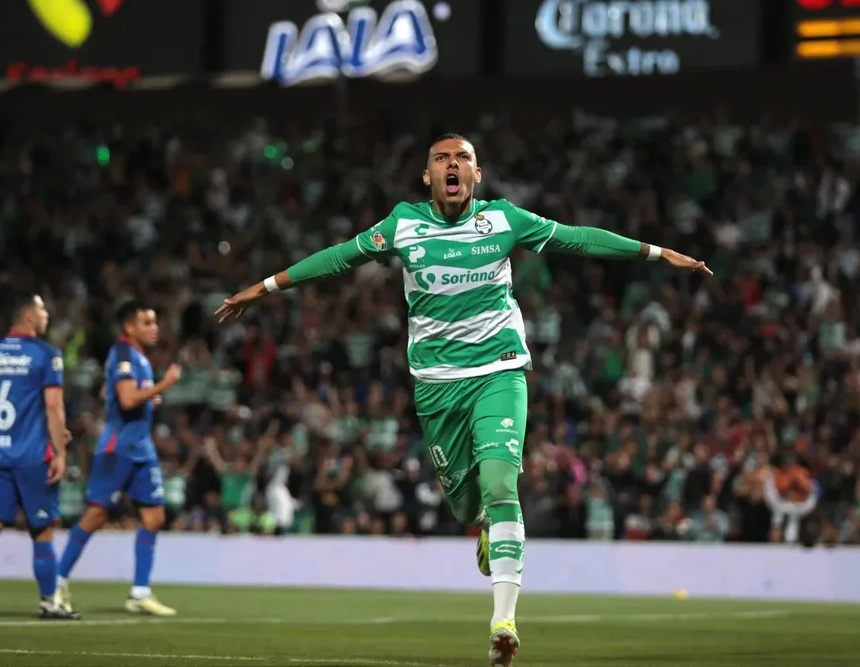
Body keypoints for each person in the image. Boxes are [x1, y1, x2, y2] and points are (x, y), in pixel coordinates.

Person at [215, 133, 712, 667]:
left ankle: (504, 622)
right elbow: (338, 258)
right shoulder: (401, 225)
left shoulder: (503, 220)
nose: (453, 165)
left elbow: (578, 239)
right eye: (441, 159)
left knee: (502, 485)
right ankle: (481, 526)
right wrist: (263, 287)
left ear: (478, 175)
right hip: (436, 384)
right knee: (463, 503)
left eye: (463, 159)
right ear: (427, 177)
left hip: (500, 371)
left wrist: (656, 252)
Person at [56, 300, 182, 616]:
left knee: (154, 518)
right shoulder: (123, 353)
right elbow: (125, 399)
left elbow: (113, 395)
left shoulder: (136, 357)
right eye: (148, 322)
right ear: (129, 326)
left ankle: (140, 593)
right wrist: (162, 385)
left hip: (142, 449)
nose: (155, 328)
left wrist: (148, 396)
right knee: (97, 515)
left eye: (155, 322)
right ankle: (55, 581)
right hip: (118, 448)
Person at [0, 294, 80, 620]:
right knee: (41, 529)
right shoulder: (46, 355)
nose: (47, 316)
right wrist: (59, 449)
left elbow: (14, 401)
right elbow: (53, 406)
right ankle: (48, 603)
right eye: (43, 310)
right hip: (31, 456)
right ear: (29, 316)